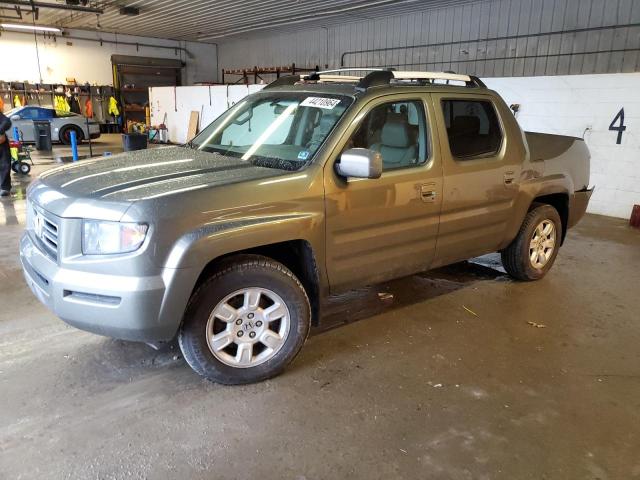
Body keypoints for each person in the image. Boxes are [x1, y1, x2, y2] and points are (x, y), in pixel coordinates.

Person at [0, 110, 12, 197]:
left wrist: (0, 130)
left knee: (5, 165)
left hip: (1, 144)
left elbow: (7, 122)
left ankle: (5, 187)